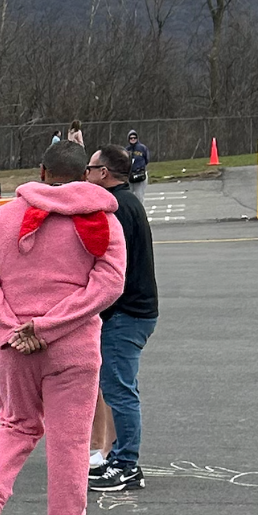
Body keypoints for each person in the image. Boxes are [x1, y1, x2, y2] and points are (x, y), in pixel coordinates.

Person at [0, 140, 126, 515]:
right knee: (70, 441)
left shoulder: (0, 219)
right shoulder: (102, 221)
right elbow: (108, 285)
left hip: (15, 346)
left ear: (41, 171)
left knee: (15, 425)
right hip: (73, 346)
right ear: (85, 175)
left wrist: (11, 329)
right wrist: (49, 326)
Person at [84, 145, 159, 491]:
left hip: (126, 313)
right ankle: (116, 456)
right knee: (118, 386)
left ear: (103, 173)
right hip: (134, 310)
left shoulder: (118, 209)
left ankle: (127, 465)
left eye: (90, 168)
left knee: (120, 390)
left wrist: (100, 308)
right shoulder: (127, 202)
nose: (86, 174)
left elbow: (117, 270)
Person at [126, 130, 150, 204]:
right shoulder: (127, 150)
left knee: (139, 195)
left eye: (134, 138)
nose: (133, 139)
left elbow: (147, 159)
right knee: (129, 194)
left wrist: (141, 168)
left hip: (140, 174)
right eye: (131, 138)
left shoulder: (142, 148)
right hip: (130, 175)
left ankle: (140, 209)